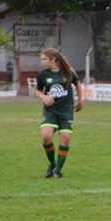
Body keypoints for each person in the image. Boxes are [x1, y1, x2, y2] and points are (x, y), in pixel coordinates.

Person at [34, 48, 84, 179]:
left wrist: (80, 101)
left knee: (65, 138)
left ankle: (58, 170)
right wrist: (43, 97)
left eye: (44, 59)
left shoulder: (68, 72)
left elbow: (78, 84)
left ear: (54, 60)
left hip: (66, 111)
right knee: (46, 136)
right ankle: (52, 164)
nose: (41, 62)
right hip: (50, 111)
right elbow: (37, 91)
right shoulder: (43, 74)